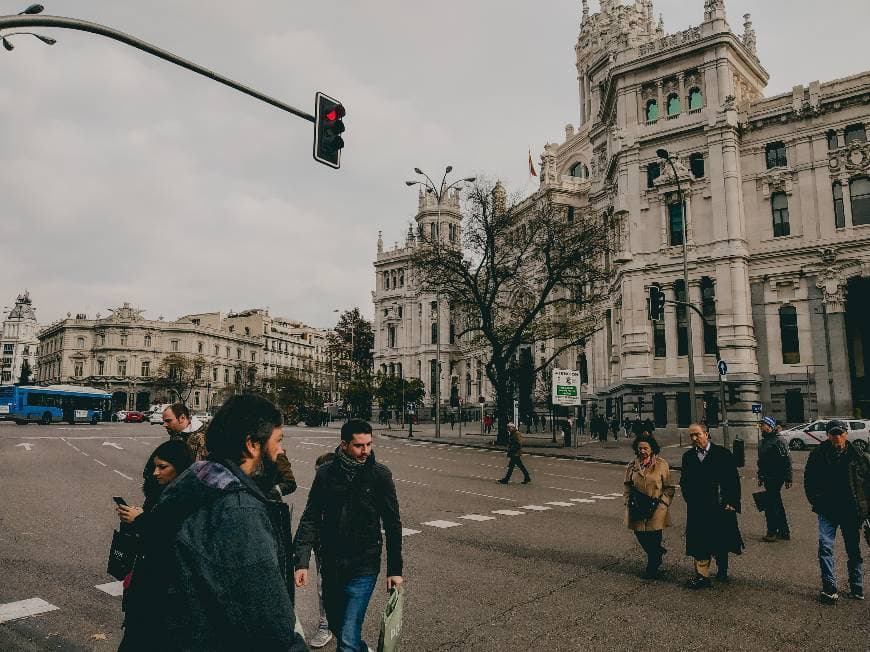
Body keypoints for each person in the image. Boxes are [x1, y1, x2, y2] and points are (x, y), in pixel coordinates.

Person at [120, 393, 307, 651]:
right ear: (252, 444)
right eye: (278, 441)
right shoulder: (239, 510)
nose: (281, 451)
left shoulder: (197, 479)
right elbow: (269, 618)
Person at [294, 419, 403, 652]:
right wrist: (302, 561)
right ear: (343, 445)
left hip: (364, 563)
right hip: (332, 564)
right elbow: (310, 517)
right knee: (337, 624)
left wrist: (395, 570)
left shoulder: (380, 476)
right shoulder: (325, 474)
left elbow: (393, 524)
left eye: (369, 445)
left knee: (347, 636)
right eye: (359, 446)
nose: (365, 451)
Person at [116, 440, 193, 651]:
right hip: (147, 587)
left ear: (180, 468)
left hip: (163, 592)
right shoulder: (161, 492)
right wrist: (136, 518)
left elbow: (170, 538)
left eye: (163, 467)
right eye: (154, 467)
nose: (156, 473)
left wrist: (140, 520)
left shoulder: (185, 499)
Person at [804, 418, 870, 604]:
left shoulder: (858, 455)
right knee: (825, 547)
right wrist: (817, 502)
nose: (837, 437)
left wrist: (866, 510)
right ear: (828, 435)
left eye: (840, 433)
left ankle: (857, 587)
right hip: (828, 511)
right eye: (833, 434)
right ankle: (829, 588)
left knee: (853, 550)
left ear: (846, 434)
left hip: (851, 511)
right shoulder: (818, 454)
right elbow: (809, 481)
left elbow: (867, 485)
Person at [680, 422, 743, 589]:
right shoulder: (688, 457)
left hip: (720, 505)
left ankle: (722, 568)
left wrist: (732, 502)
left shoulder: (722, 454)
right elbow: (684, 482)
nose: (694, 438)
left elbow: (733, 481)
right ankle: (702, 576)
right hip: (697, 507)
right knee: (699, 541)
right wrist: (690, 499)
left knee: (720, 540)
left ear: (706, 434)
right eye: (691, 435)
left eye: (697, 434)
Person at [624, 435, 675, 579]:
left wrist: (664, 503)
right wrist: (627, 499)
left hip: (656, 508)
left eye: (645, 448)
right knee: (640, 534)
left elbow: (669, 487)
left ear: (652, 449)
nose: (642, 451)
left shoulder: (661, 464)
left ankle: (652, 567)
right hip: (637, 507)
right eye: (640, 448)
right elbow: (627, 485)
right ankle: (657, 554)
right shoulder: (632, 466)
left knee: (654, 538)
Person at [307, 452, 336, 649]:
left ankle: (344, 627)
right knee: (322, 585)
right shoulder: (317, 494)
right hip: (322, 548)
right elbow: (308, 523)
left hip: (345, 550)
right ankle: (326, 623)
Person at [757, 415, 793, 542]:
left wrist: (788, 478)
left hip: (776, 477)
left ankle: (772, 531)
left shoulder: (779, 440)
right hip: (767, 476)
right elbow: (761, 461)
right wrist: (760, 475)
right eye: (760, 425)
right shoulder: (762, 441)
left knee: (770, 505)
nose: (761, 427)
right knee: (776, 503)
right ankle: (784, 531)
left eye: (763, 424)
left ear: (770, 426)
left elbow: (786, 460)